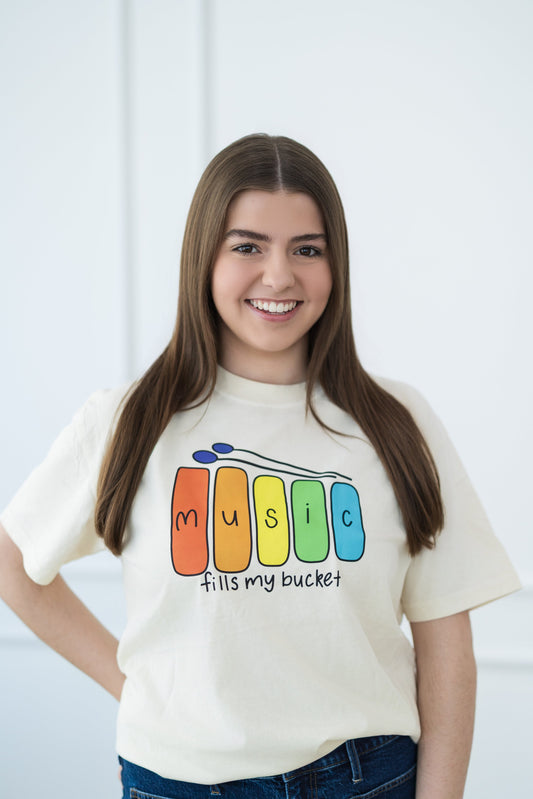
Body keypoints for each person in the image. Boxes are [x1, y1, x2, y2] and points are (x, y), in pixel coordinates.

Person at [0, 133, 521, 799]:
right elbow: (14, 560)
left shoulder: (395, 422)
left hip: (364, 777)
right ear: (203, 260)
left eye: (307, 249)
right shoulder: (130, 420)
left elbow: (447, 648)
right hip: (178, 782)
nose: (279, 275)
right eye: (247, 246)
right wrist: (130, 687)